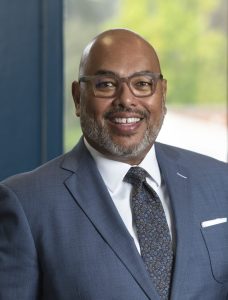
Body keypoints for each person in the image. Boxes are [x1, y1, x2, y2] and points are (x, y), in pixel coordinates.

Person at [0, 28, 227, 300]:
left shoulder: (219, 181)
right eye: (106, 84)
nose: (126, 100)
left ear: (162, 94)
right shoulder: (26, 202)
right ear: (78, 97)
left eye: (142, 84)